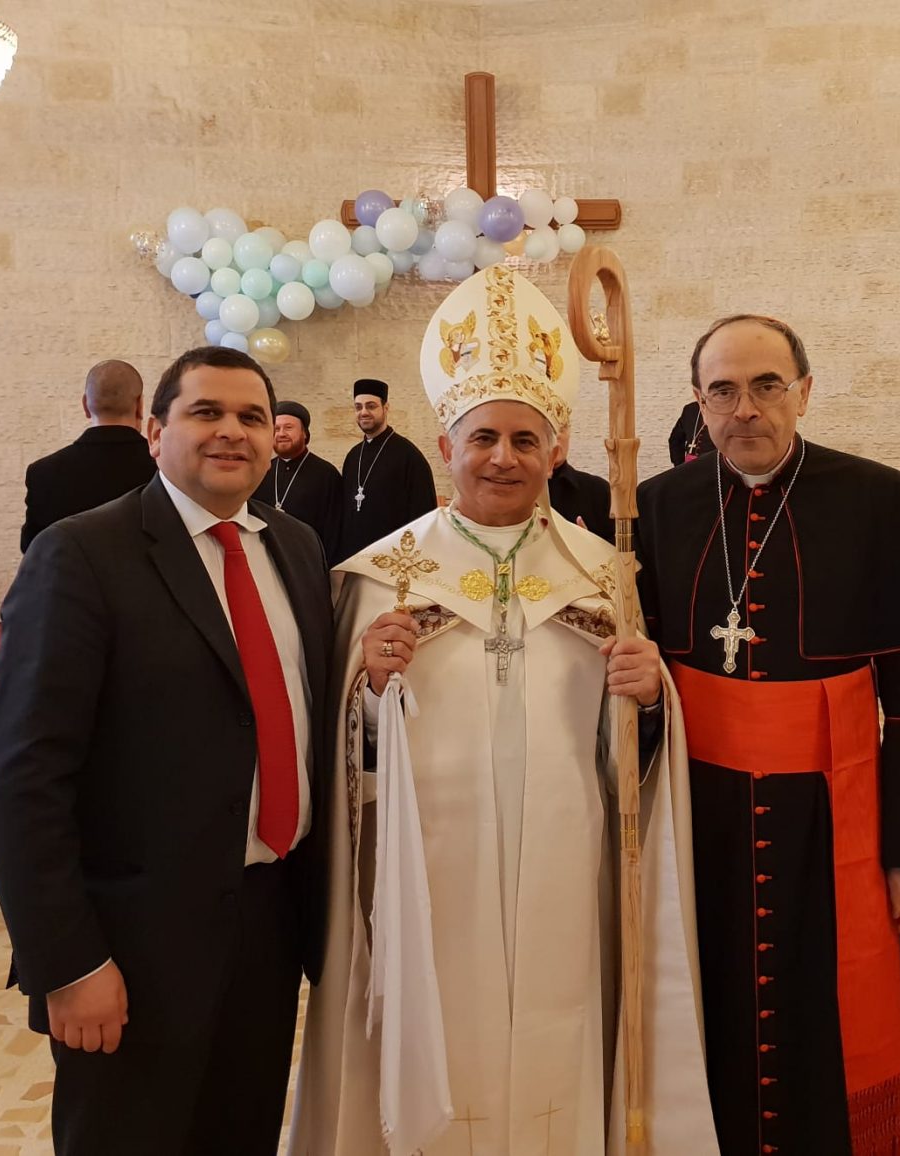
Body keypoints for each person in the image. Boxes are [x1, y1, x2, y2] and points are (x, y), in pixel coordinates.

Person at [290, 266, 717, 1156]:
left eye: (527, 439)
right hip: (425, 870)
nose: (503, 457)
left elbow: (633, 755)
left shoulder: (604, 574)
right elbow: (336, 757)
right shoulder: (379, 578)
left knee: (564, 1027)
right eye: (483, 436)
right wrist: (368, 690)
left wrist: (651, 698)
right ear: (445, 444)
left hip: (570, 859)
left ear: (555, 452)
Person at [0, 346, 333, 1156]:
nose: (232, 431)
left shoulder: (296, 546)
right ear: (154, 431)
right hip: (131, 946)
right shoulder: (82, 554)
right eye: (206, 412)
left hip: (270, 924)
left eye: (251, 416)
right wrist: (68, 964)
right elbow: (18, 778)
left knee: (240, 1136)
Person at [627, 313, 900, 1155]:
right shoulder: (656, 507)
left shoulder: (876, 497)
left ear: (803, 392)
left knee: (827, 1025)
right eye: (724, 390)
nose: (746, 408)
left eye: (767, 385)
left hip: (837, 819)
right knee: (710, 1009)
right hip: (699, 818)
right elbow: (638, 678)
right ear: (698, 402)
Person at [21, 359, 157, 551]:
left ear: (85, 404)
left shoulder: (42, 473)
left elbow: (33, 550)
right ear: (140, 405)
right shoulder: (164, 467)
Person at [338, 377, 437, 560]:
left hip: (394, 560)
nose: (364, 412)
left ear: (386, 408)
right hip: (355, 559)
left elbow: (424, 515)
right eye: (358, 407)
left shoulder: (409, 456)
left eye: (371, 406)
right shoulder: (353, 456)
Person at [253, 400, 343, 561]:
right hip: (265, 559)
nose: (281, 434)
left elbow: (334, 531)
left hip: (309, 560)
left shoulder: (326, 474)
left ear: (305, 433)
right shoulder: (262, 471)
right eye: (276, 429)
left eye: (288, 427)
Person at [547, 420, 614, 542]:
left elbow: (623, 548)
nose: (558, 436)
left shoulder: (598, 491)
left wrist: (589, 547)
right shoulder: (516, 490)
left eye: (561, 429)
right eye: (550, 428)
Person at [667, 398, 715, 466]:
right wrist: (679, 465)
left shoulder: (726, 411)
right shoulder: (690, 409)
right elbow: (675, 439)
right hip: (688, 466)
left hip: (712, 465)